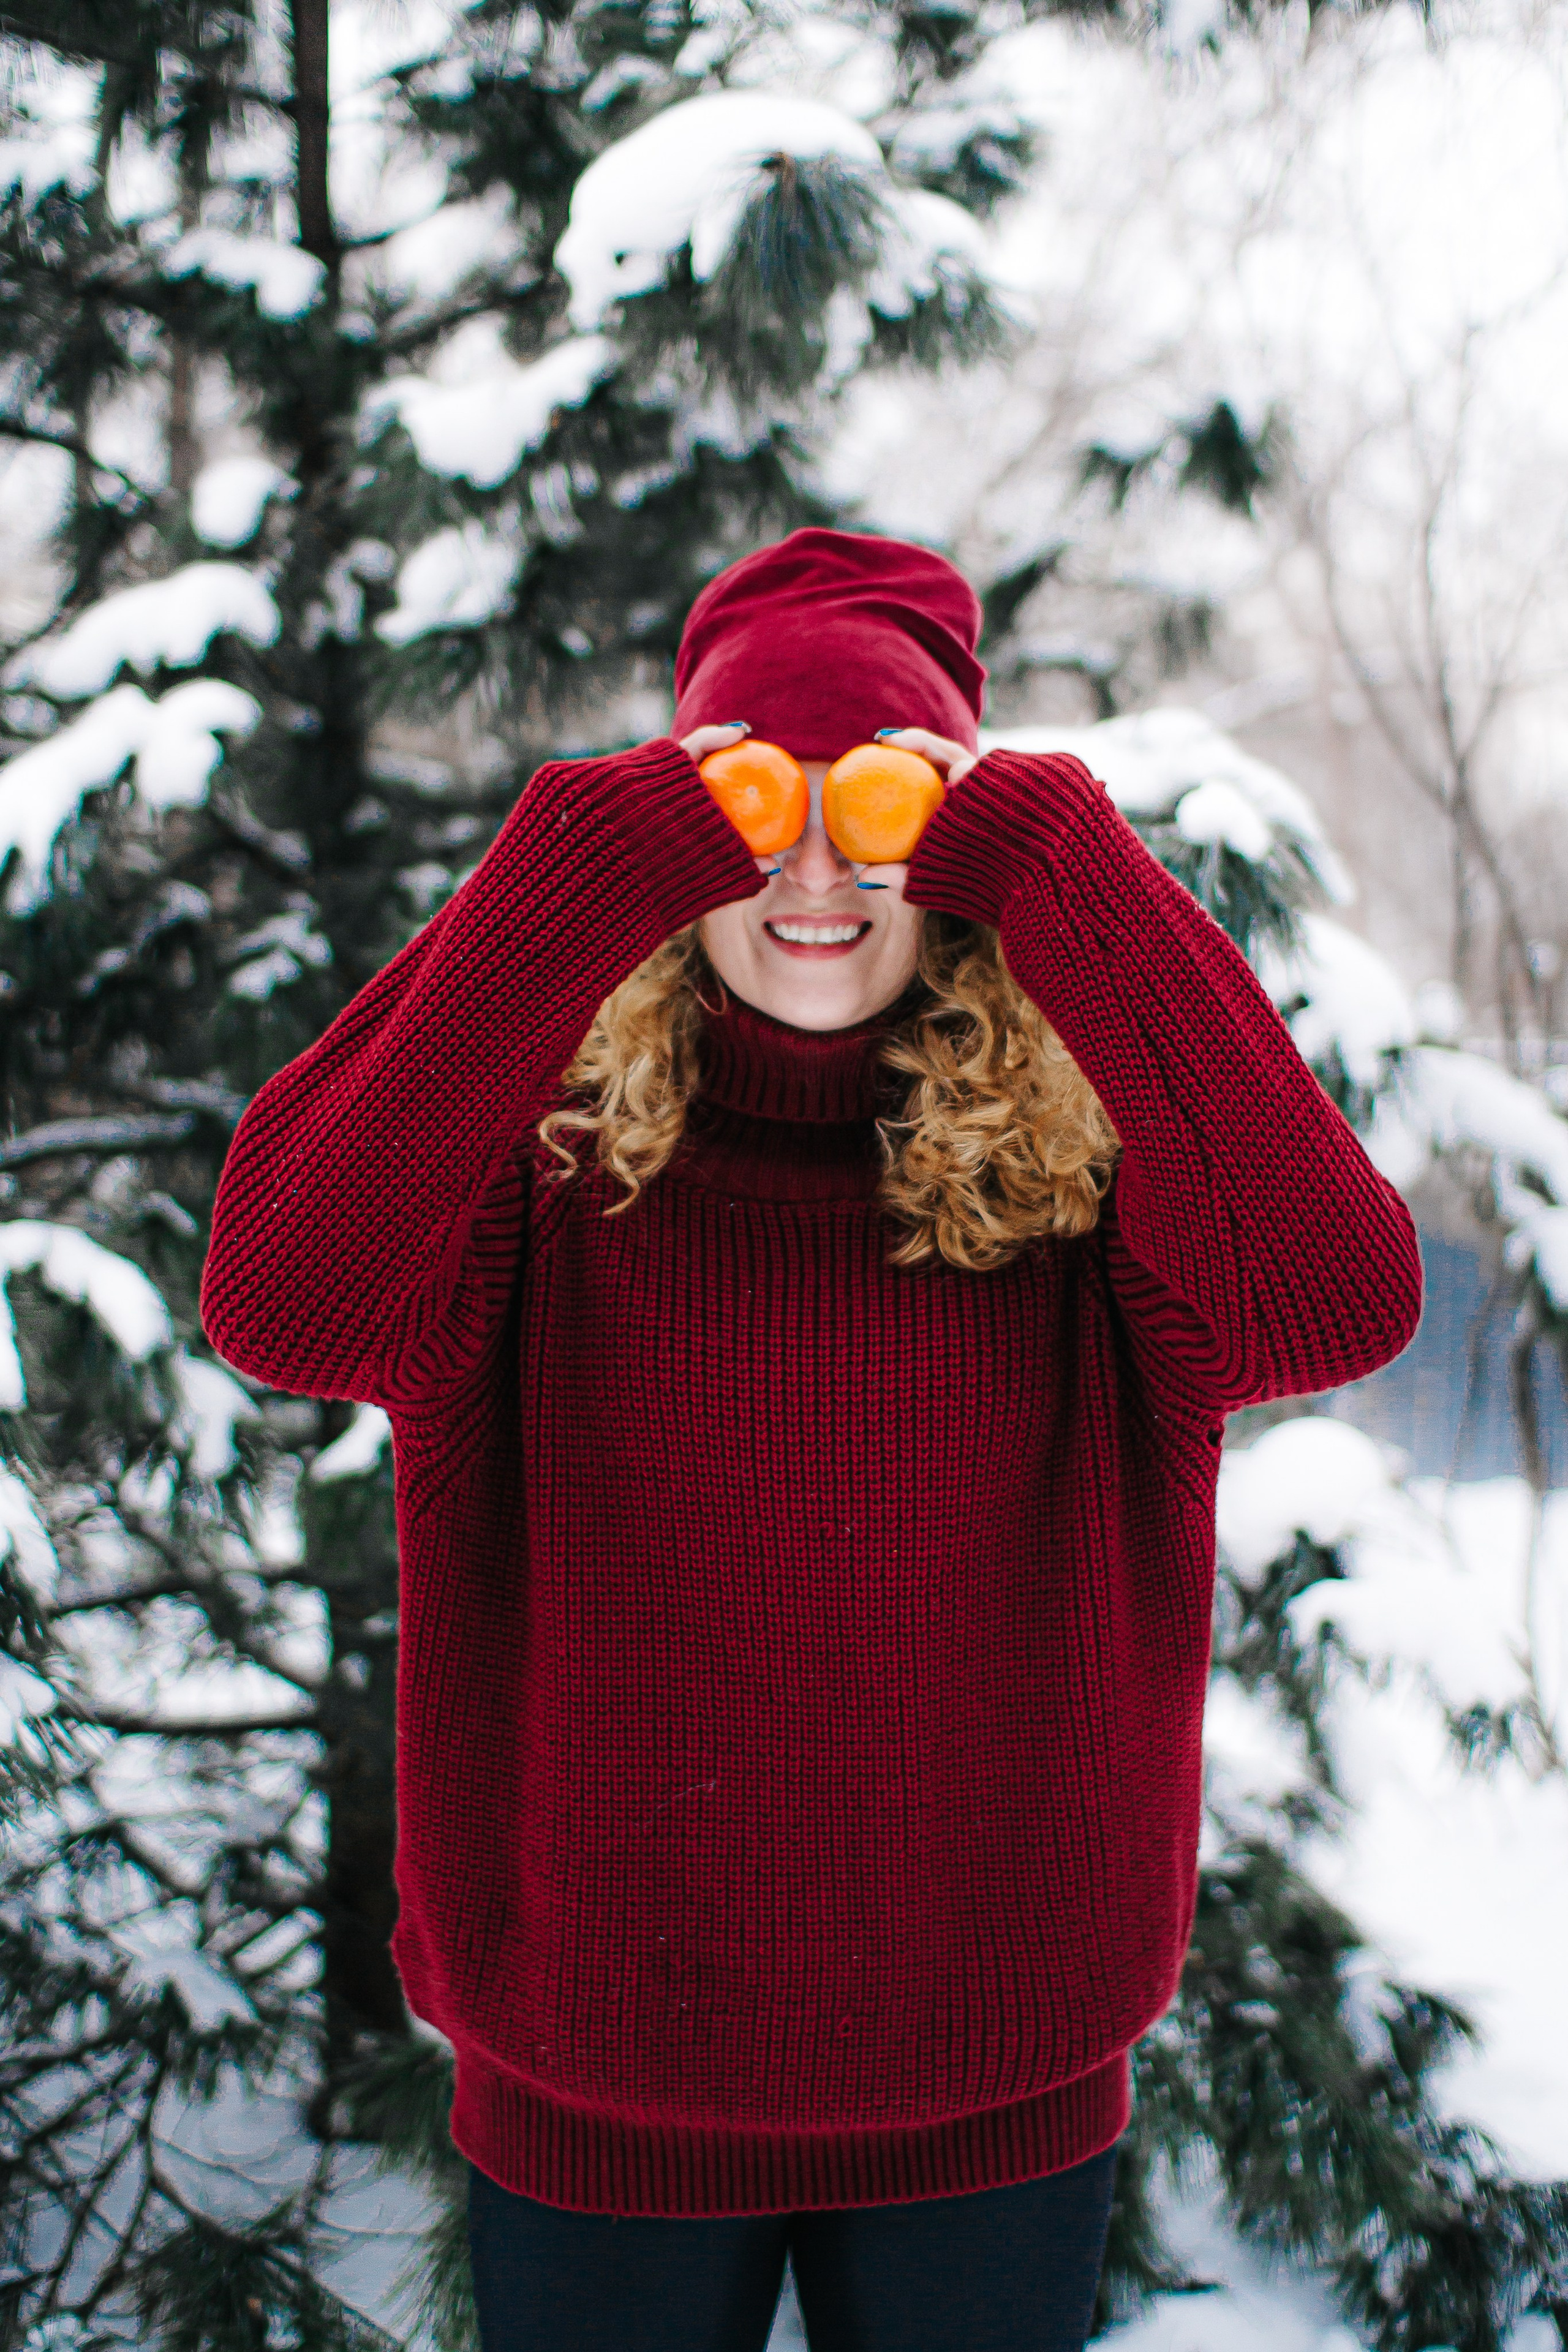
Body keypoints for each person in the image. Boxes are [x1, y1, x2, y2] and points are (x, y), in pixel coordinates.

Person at [201, 528, 1422, 2352]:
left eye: (883, 814)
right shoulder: (532, 1161)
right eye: (764, 812)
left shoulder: (1098, 1169)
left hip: (991, 2070)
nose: (819, 878)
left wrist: (1074, 864)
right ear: (680, 832)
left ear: (961, 842)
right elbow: (285, 1301)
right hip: (595, 2069)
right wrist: (556, 878)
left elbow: (1336, 1303)